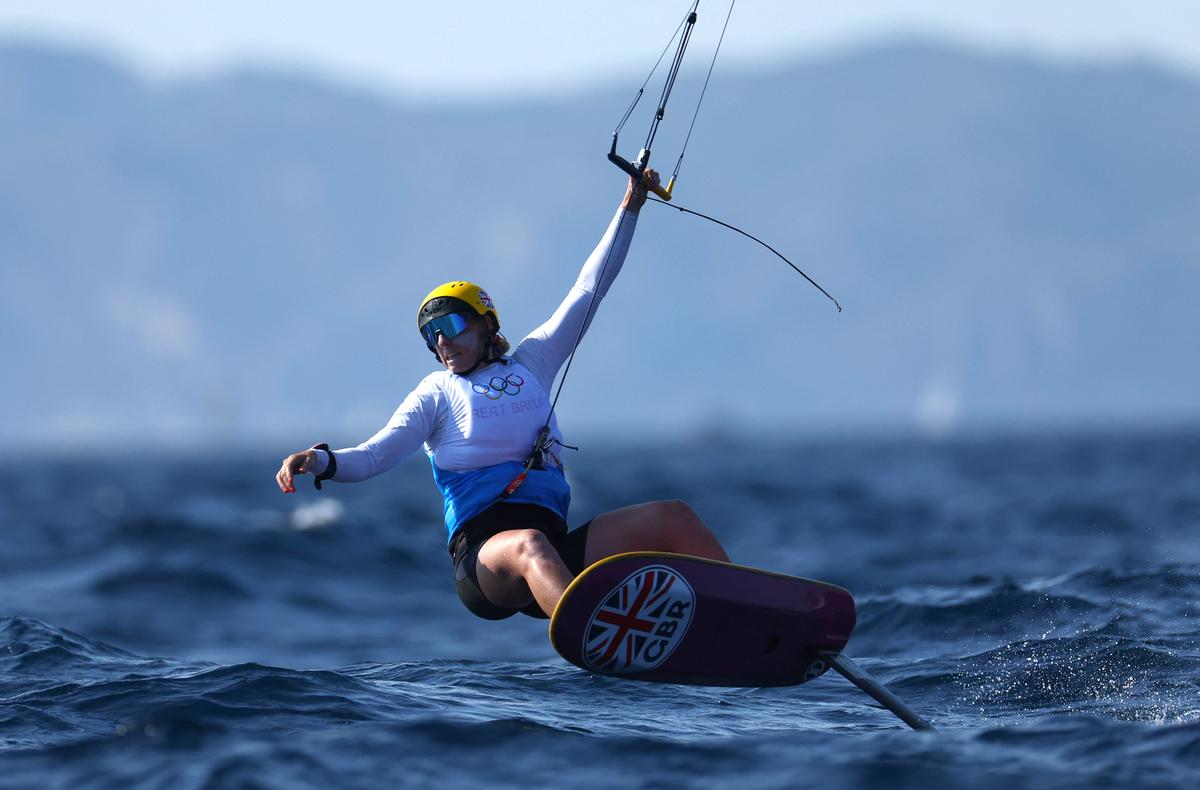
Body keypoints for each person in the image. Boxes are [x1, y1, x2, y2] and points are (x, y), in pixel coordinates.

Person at [276, 170, 729, 621]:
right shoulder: (436, 393)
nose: (442, 341)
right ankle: (587, 633)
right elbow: (374, 456)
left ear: (486, 324)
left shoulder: (533, 362)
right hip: (485, 565)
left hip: (554, 554)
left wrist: (630, 206)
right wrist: (318, 460)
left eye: (451, 326)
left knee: (674, 516)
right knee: (529, 544)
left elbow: (589, 288)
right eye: (432, 334)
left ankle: (741, 614)